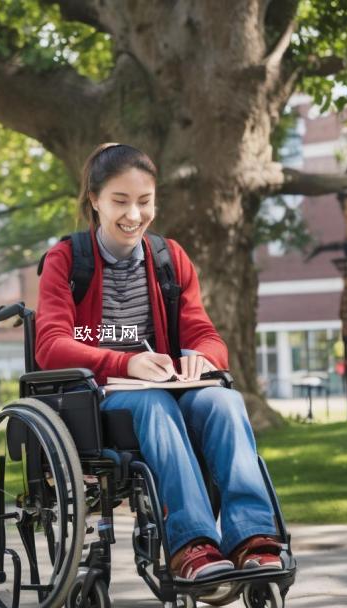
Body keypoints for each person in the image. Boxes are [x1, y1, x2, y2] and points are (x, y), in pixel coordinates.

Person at [35, 143, 282, 581]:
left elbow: (204, 333)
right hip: (104, 398)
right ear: (94, 200)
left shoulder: (170, 258)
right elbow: (51, 344)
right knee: (153, 404)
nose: (134, 214)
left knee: (225, 402)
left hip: (169, 385)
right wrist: (124, 364)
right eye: (120, 201)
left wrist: (201, 360)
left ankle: (252, 537)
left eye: (145, 201)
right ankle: (192, 544)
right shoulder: (67, 259)